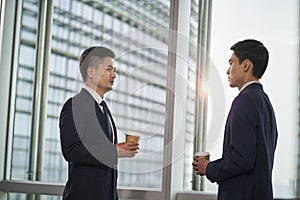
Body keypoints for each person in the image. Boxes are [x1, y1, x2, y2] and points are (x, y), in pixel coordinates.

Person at [192, 39, 278, 200]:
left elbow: (243, 159)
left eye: (231, 63)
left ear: (246, 65)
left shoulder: (244, 100)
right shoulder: (265, 103)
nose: (227, 70)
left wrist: (209, 168)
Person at [59, 46, 139, 200]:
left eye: (114, 69)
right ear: (91, 72)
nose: (114, 75)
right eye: (109, 69)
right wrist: (113, 151)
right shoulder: (75, 105)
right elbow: (71, 150)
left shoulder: (104, 107)